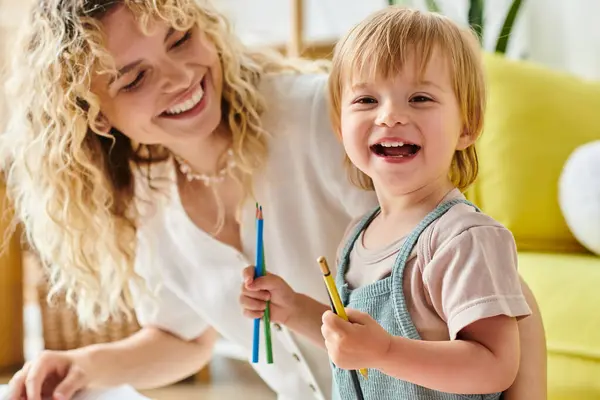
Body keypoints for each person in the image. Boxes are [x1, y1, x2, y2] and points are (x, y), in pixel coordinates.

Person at [0, 0, 544, 399]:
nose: (181, 76)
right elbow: (183, 339)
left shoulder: (325, 122)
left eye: (181, 39)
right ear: (92, 111)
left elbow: (493, 287)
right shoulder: (150, 204)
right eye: (135, 78)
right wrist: (85, 366)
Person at [241, 6, 547, 400]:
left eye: (419, 97)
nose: (390, 116)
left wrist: (383, 350)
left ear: (467, 124)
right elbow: (355, 351)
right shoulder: (358, 235)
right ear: (339, 126)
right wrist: (290, 308)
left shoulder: (463, 239)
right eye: (366, 100)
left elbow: (493, 366)